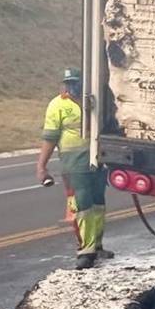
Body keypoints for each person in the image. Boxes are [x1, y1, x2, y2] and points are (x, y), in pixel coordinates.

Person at [36, 68, 108, 269]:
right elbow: (49, 138)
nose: (71, 87)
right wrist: (41, 166)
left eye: (75, 82)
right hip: (73, 163)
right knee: (82, 204)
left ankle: (98, 245)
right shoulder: (57, 105)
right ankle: (86, 250)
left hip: (98, 160)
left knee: (98, 204)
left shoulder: (94, 101)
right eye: (68, 83)